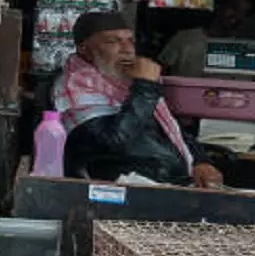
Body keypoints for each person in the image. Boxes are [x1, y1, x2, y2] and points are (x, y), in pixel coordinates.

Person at [52, 11, 223, 188]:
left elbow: (169, 128)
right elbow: (115, 139)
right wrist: (146, 87)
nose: (127, 49)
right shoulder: (75, 83)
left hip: (171, 185)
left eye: (130, 41)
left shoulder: (123, 80)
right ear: (84, 49)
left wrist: (200, 161)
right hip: (122, 193)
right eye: (113, 41)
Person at [157, 0, 252, 77]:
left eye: (244, 13)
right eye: (234, 8)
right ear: (219, 7)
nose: (238, 16)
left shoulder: (243, 49)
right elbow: (160, 72)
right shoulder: (184, 37)